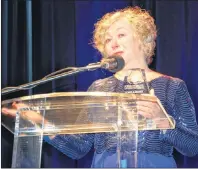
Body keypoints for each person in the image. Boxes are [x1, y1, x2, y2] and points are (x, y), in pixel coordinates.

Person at [2, 6, 198, 168]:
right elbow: (78, 148)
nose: (113, 43)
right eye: (108, 39)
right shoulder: (99, 88)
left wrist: (163, 122)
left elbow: (193, 146)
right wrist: (39, 123)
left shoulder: (172, 86)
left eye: (121, 35)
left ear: (143, 38)